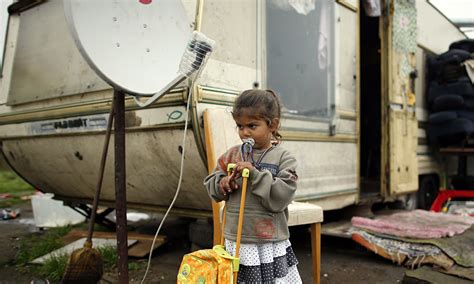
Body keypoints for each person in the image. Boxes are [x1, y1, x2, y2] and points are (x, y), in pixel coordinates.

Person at [204, 89, 302, 283]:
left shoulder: (284, 158)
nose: (244, 132)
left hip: (268, 239)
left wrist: (255, 175)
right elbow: (212, 184)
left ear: (272, 124)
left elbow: (282, 196)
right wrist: (223, 183)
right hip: (237, 238)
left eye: (252, 125)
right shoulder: (231, 155)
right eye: (240, 126)